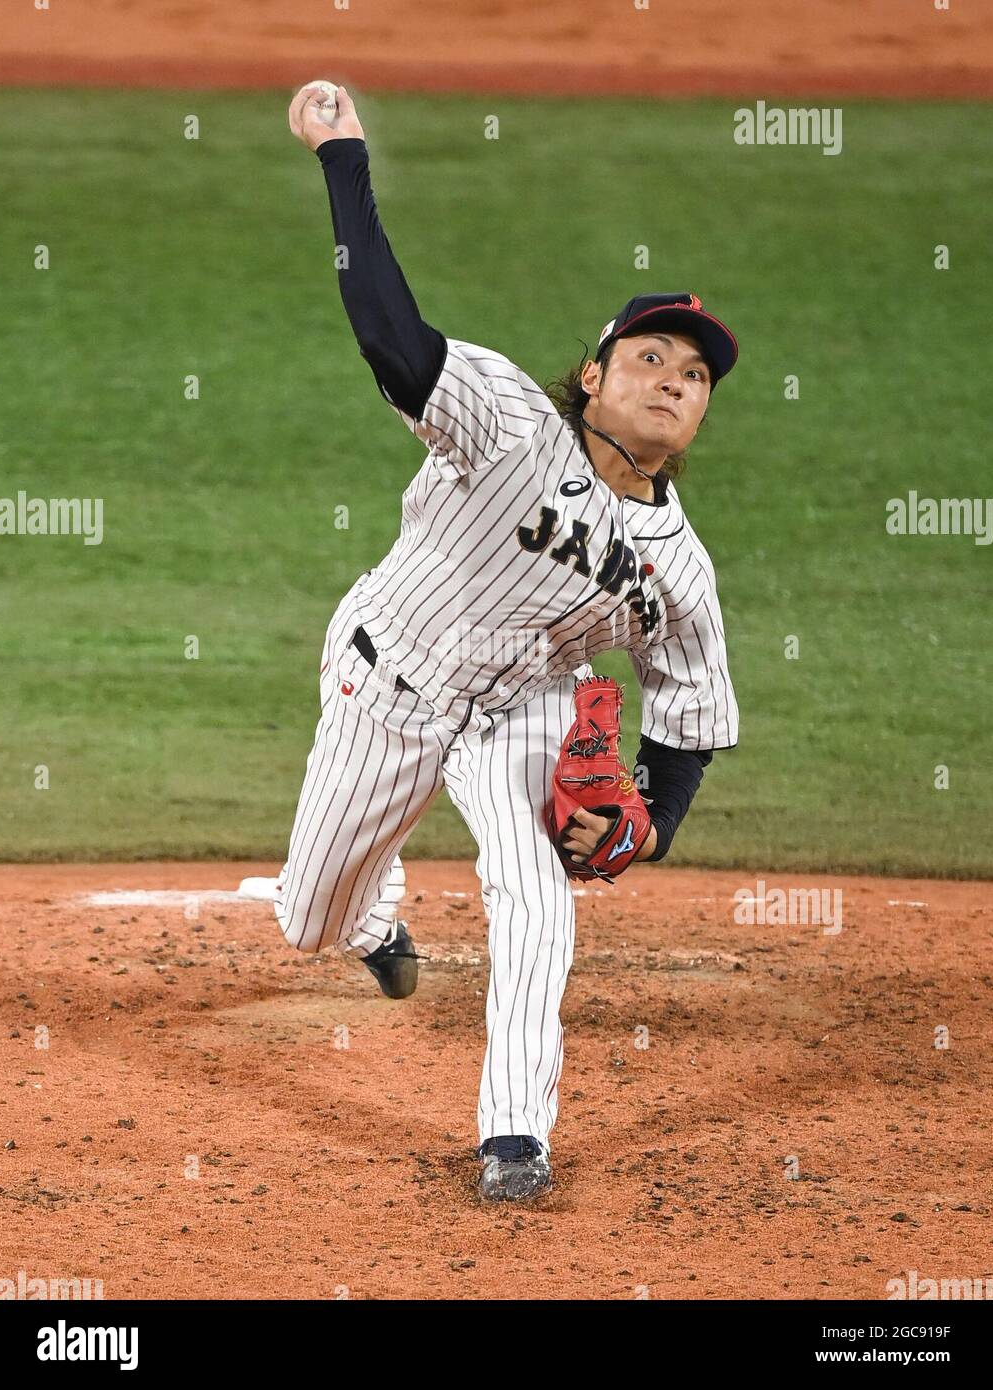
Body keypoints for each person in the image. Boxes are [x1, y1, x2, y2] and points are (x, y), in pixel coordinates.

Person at [275, 82, 740, 1202]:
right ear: (592, 376)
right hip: (392, 673)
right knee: (309, 918)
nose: (673, 381)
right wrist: (344, 156)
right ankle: (371, 909)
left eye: (693, 376)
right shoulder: (506, 421)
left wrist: (650, 823)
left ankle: (513, 1136)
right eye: (649, 359)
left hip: (523, 708)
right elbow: (388, 331)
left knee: (535, 902)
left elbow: (688, 706)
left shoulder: (678, 566)